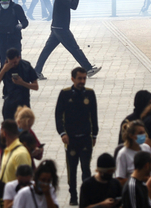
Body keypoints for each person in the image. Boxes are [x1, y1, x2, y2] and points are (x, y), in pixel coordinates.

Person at [34, 0, 101, 79]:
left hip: (56, 28)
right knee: (75, 49)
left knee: (46, 51)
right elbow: (74, 6)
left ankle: (36, 72)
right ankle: (88, 69)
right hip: (61, 30)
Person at [55, 67, 99, 204]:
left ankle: (86, 197)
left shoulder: (90, 94)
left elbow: (94, 115)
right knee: (72, 169)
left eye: (84, 78)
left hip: (85, 137)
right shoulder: (65, 94)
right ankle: (73, 195)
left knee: (86, 169)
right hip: (71, 138)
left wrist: (94, 135)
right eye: (79, 78)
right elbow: (58, 115)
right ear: (72, 78)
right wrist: (62, 133)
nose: (82, 81)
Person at [0, 48, 39, 121]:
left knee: (23, 129)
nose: (13, 65)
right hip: (9, 102)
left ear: (19, 58)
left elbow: (36, 87)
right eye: (10, 62)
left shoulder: (26, 66)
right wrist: (3, 70)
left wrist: (22, 83)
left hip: (23, 102)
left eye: (15, 62)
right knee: (9, 130)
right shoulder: (5, 67)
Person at [0, 0, 28, 65]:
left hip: (14, 38)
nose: (4, 4)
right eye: (3, 3)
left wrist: (21, 25)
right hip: (1, 39)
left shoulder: (16, 8)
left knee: (16, 61)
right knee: (3, 61)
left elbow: (25, 21)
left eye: (6, 2)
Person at [115, 120, 151, 185]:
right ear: (131, 135)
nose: (143, 135)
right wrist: (140, 178)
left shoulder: (146, 148)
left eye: (144, 133)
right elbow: (120, 180)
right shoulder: (123, 154)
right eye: (140, 133)